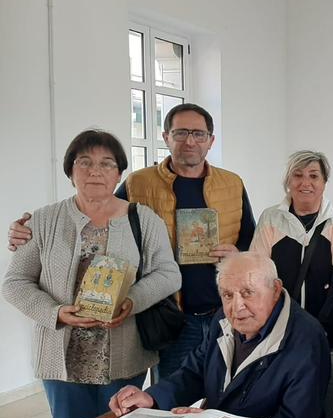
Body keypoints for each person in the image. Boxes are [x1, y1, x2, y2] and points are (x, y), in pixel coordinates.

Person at [8, 103, 257, 380]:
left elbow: (250, 242)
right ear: (166, 137)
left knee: (233, 389)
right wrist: (27, 228)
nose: (190, 141)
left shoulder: (232, 184)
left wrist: (237, 254)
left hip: (224, 311)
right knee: (169, 401)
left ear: (211, 140)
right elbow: (99, 209)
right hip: (168, 316)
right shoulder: (139, 184)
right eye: (181, 133)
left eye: (199, 134)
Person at [2, 130, 181, 418]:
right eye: (84, 162)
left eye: (106, 164)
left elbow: (168, 273)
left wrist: (131, 300)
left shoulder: (143, 219)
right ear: (71, 171)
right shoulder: (43, 220)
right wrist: (55, 312)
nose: (95, 171)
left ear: (119, 174)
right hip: (62, 359)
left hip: (125, 354)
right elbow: (15, 282)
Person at [108, 252, 330, 418]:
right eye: (227, 295)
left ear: (275, 290)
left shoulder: (305, 338)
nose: (236, 306)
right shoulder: (221, 321)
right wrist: (152, 398)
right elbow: (193, 374)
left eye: (247, 293)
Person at [250, 150, 333, 348]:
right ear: (288, 181)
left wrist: (321, 329)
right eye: (298, 175)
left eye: (314, 176)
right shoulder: (271, 219)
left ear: (324, 182)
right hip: (277, 332)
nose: (305, 182)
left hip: (325, 335)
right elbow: (259, 276)